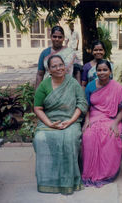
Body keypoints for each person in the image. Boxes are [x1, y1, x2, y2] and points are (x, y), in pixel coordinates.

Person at [33, 55, 88, 194]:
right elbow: (37, 108)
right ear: (49, 70)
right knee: (40, 138)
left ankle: (69, 180)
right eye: (54, 66)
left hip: (71, 120)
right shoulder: (44, 85)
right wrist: (50, 124)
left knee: (69, 139)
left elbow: (81, 103)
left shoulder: (73, 83)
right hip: (50, 120)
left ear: (65, 66)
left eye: (60, 65)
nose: (58, 68)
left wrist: (71, 121)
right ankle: (49, 180)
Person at [82, 59, 122, 187]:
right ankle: (89, 173)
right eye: (99, 70)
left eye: (105, 70)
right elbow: (87, 107)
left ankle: (107, 173)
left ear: (110, 71)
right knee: (88, 136)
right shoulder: (90, 86)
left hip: (111, 119)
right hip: (94, 116)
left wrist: (115, 123)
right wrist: (87, 121)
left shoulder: (117, 87)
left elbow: (121, 111)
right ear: (96, 72)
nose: (102, 72)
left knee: (110, 136)